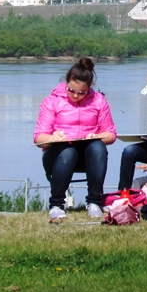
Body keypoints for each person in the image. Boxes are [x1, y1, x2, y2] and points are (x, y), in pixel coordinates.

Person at [33, 57, 117, 223]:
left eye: (81, 92)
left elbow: (111, 134)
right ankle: (56, 205)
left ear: (89, 88)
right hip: (58, 156)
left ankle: (94, 202)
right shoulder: (52, 101)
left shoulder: (99, 100)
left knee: (98, 147)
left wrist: (98, 137)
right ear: (67, 82)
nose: (76, 95)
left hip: (88, 156)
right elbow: (38, 138)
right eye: (71, 90)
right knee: (68, 152)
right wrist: (52, 138)